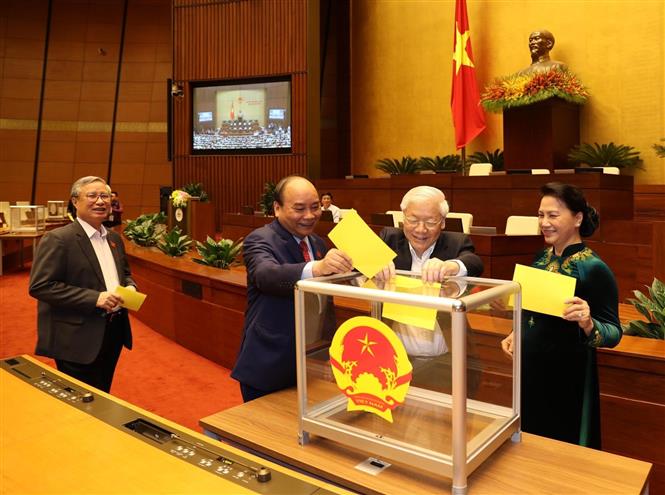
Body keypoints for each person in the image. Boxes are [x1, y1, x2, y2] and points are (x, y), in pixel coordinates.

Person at [501, 182, 622, 449]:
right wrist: (515, 332)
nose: (544, 223)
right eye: (541, 215)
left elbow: (614, 333)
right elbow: (530, 310)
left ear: (577, 218)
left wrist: (588, 322)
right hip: (531, 371)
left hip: (567, 378)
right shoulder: (540, 258)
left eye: (553, 215)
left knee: (560, 449)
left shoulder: (594, 268)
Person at [231, 176, 353, 402]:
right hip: (269, 363)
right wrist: (317, 268)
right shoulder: (259, 239)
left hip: (311, 361)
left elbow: (323, 303)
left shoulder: (317, 242)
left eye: (315, 207)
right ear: (277, 208)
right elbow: (266, 276)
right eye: (299, 209)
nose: (310, 215)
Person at [29, 176, 137, 393]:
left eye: (105, 196)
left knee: (103, 393)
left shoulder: (114, 239)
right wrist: (95, 298)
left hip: (113, 330)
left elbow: (124, 274)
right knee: (80, 400)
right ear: (75, 201)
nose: (100, 201)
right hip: (76, 336)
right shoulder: (58, 239)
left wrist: (130, 287)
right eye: (92, 196)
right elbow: (41, 286)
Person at [374, 186, 484, 393]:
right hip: (395, 358)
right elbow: (356, 264)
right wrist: (374, 263)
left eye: (431, 222)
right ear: (403, 218)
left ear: (442, 222)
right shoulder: (389, 238)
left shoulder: (456, 242)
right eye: (413, 220)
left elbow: (474, 263)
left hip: (444, 361)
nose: (421, 229)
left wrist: (450, 266)